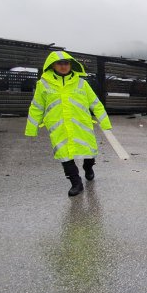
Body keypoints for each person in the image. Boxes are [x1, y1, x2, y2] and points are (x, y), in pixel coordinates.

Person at [25, 51, 112, 197]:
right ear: (53, 65)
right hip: (59, 127)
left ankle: (88, 167)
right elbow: (37, 106)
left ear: (71, 65)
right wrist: (31, 128)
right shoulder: (43, 84)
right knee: (64, 155)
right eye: (60, 63)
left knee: (89, 152)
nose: (64, 66)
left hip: (81, 125)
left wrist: (105, 123)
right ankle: (76, 183)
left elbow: (95, 103)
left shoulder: (81, 83)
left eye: (66, 63)